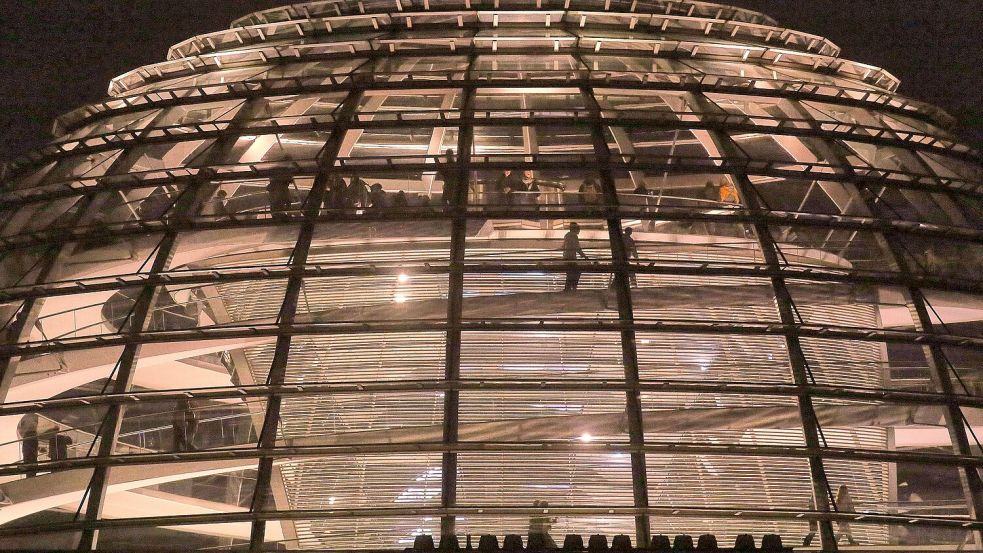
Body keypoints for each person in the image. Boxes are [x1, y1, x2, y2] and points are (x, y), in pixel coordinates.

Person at [563, 223, 590, 291]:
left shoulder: (567, 235)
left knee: (570, 273)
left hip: (566, 257)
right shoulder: (574, 236)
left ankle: (568, 288)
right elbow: (577, 248)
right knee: (577, 272)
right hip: (571, 258)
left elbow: (564, 246)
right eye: (578, 229)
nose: (579, 231)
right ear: (575, 229)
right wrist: (584, 256)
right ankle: (573, 287)